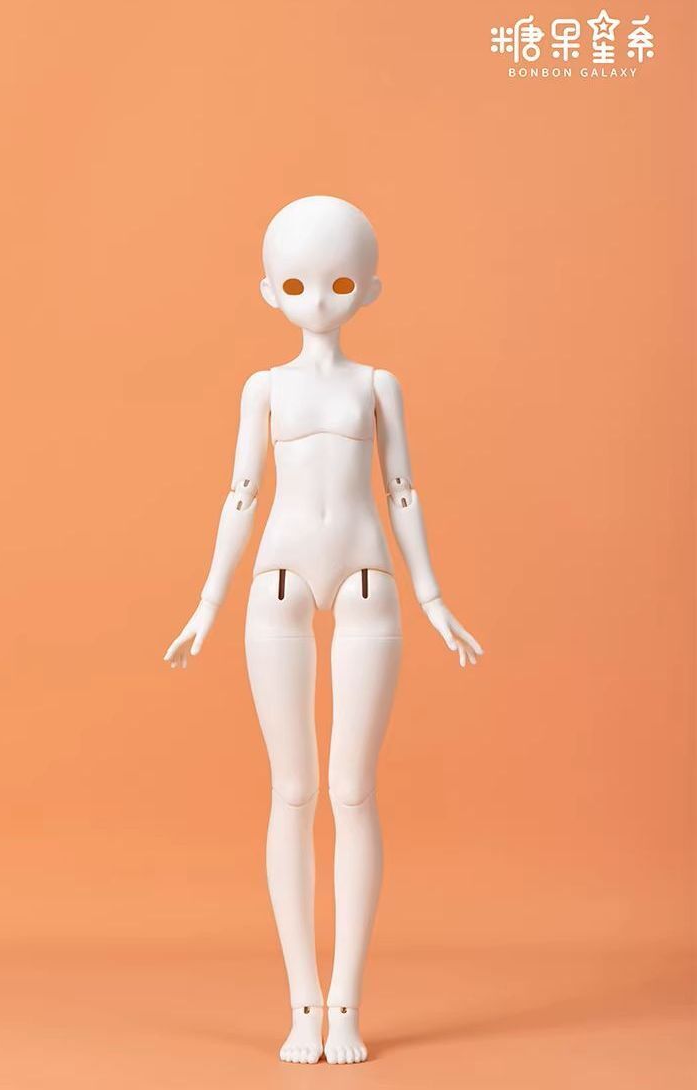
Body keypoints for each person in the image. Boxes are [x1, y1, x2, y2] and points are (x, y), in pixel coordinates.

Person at [164, 195, 483, 1064]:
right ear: (270, 291)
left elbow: (403, 490)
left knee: (352, 791)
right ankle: (303, 1002)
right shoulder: (263, 389)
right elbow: (241, 494)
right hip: (278, 583)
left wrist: (431, 596)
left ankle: (346, 1005)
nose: (317, 301)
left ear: (369, 290)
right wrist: (207, 600)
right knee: (293, 791)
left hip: (369, 581)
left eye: (339, 284)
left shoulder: (377, 386)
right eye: (298, 284)